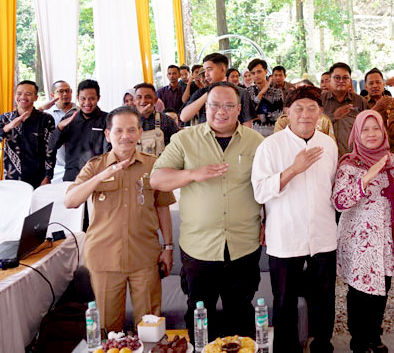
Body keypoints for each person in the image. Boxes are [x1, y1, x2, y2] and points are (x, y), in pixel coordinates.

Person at [150, 82, 264, 340]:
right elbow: (157, 179)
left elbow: (267, 187)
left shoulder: (256, 142)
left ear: (239, 109)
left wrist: (267, 222)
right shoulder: (184, 139)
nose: (221, 111)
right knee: (200, 316)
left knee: (240, 315)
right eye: (214, 105)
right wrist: (192, 174)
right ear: (205, 107)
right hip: (199, 248)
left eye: (229, 105)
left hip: (244, 245)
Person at [64, 106, 175, 332]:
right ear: (108, 134)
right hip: (105, 257)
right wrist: (101, 177)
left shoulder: (153, 165)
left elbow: (163, 207)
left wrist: (168, 247)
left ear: (140, 133)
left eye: (131, 130)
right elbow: (70, 201)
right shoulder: (95, 166)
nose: (126, 136)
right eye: (119, 131)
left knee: (150, 326)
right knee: (108, 328)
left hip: (145, 256)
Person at [251, 86, 339, 353]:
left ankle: (322, 346)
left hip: (323, 235)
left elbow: (331, 186)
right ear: (287, 112)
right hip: (285, 237)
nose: (305, 114)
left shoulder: (328, 144)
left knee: (324, 299)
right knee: (284, 301)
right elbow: (260, 191)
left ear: (320, 112)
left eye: (312, 108)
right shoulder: (270, 146)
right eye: (299, 108)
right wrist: (293, 169)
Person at [333, 111, 394, 353]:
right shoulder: (349, 164)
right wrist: (364, 180)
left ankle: (374, 335)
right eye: (365, 129)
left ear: (383, 131)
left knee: (383, 288)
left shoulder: (393, 162)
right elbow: (339, 202)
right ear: (356, 133)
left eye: (376, 128)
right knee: (360, 292)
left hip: (386, 239)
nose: (371, 134)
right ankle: (359, 341)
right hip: (359, 241)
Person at [0, 80, 56, 187]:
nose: (23, 97)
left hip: (38, 178)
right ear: (15, 96)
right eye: (19, 93)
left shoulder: (45, 119)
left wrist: (48, 176)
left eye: (28, 94)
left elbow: (50, 150)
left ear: (36, 97)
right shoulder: (5, 118)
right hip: (12, 177)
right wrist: (8, 127)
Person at [50, 79, 108, 182]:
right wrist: (60, 127)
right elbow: (52, 146)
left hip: (96, 177)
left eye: (91, 98)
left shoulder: (107, 120)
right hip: (72, 177)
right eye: (83, 99)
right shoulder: (69, 118)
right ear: (77, 98)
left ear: (98, 98)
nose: (87, 103)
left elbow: (109, 151)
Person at [322, 62, 368, 157]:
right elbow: (313, 126)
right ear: (330, 80)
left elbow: (367, 127)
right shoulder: (320, 100)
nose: (341, 81)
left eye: (345, 78)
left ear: (350, 81)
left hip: (353, 156)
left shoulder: (360, 101)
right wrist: (333, 117)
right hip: (325, 155)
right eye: (337, 78)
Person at [181, 53, 230, 125]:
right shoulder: (202, 92)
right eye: (205, 71)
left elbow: (246, 124)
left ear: (223, 69)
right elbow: (184, 117)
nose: (206, 74)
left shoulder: (239, 92)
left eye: (209, 70)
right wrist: (210, 93)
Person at [133, 83, 180, 156]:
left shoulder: (166, 121)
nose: (143, 101)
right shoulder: (128, 123)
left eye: (148, 97)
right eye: (139, 97)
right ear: (134, 101)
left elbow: (178, 147)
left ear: (155, 100)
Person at [43, 80, 76, 182]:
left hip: (77, 167)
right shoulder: (46, 115)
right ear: (53, 95)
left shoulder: (80, 112)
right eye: (61, 91)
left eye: (67, 91)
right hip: (55, 167)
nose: (65, 94)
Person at [242, 58, 285, 137]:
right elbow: (247, 115)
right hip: (254, 134)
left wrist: (259, 116)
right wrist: (260, 95)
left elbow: (278, 115)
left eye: (259, 72)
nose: (256, 75)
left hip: (273, 134)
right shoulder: (248, 92)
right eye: (253, 73)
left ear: (266, 72)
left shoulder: (277, 92)